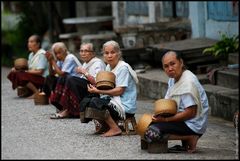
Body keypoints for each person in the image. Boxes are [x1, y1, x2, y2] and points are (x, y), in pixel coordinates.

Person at [144, 51, 209, 153]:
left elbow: (190, 113)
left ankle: (190, 137)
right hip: (183, 119)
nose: (170, 68)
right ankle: (186, 138)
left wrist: (165, 120)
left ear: (181, 62)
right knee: (145, 123)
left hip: (193, 124)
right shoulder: (173, 78)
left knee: (151, 132)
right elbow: (168, 105)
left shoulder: (187, 82)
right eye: (166, 66)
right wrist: (158, 116)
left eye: (172, 64)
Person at [86, 40, 138, 137]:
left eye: (112, 52)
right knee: (87, 100)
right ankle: (105, 126)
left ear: (118, 54)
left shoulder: (123, 68)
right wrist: (95, 87)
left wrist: (98, 91)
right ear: (103, 55)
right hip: (114, 101)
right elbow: (106, 86)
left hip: (124, 106)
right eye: (106, 53)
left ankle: (115, 128)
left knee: (95, 101)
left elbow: (119, 91)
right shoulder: (108, 67)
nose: (109, 56)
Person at [50, 42, 106, 119]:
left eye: (86, 51)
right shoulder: (86, 63)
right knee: (63, 78)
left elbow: (97, 83)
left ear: (93, 53)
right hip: (86, 89)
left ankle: (69, 110)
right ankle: (64, 107)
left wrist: (84, 72)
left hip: (94, 91)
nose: (83, 53)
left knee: (70, 78)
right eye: (81, 51)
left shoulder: (98, 63)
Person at [44, 42, 82, 113]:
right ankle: (57, 103)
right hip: (67, 81)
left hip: (76, 82)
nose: (57, 55)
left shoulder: (70, 58)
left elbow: (61, 74)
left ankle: (64, 105)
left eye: (59, 53)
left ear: (65, 51)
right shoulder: (61, 60)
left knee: (62, 78)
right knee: (50, 78)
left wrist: (53, 60)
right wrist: (50, 62)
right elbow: (52, 73)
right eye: (56, 53)